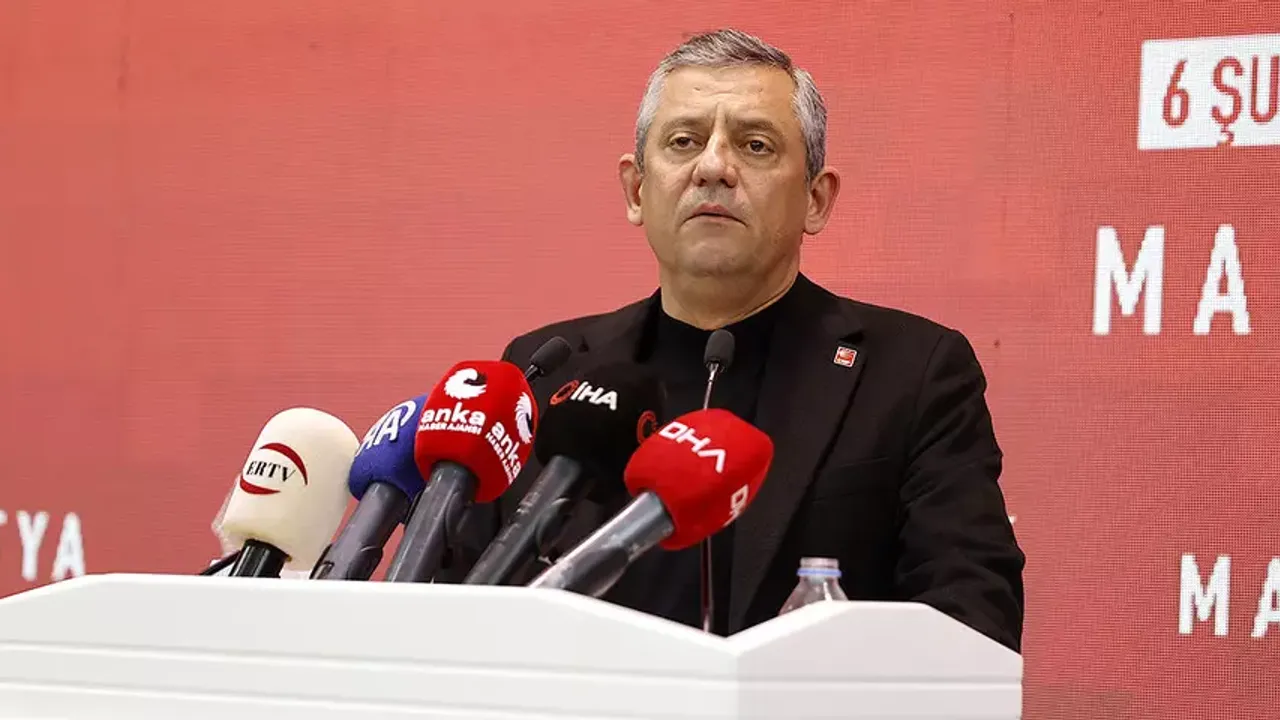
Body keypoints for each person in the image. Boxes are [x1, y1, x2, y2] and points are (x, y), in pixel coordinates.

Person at [447, 28, 1025, 652]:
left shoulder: (912, 373)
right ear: (636, 190)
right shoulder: (548, 372)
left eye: (755, 145)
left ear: (816, 199)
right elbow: (451, 612)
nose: (714, 168)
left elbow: (973, 622)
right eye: (684, 142)